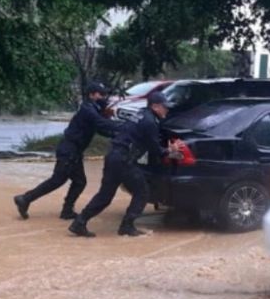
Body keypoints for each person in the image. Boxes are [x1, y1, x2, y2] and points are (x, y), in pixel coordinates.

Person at [69, 92, 184, 237]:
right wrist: (170, 150)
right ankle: (127, 226)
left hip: (113, 157)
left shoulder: (141, 114)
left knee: (105, 195)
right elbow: (155, 149)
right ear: (155, 106)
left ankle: (79, 222)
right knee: (142, 191)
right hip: (124, 160)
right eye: (164, 107)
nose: (167, 110)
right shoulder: (150, 122)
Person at [14, 82, 118, 220]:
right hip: (69, 150)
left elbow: (101, 129)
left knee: (79, 182)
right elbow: (101, 123)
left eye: (104, 94)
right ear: (91, 95)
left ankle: (67, 211)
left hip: (74, 151)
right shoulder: (88, 110)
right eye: (100, 94)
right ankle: (25, 199)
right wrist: (125, 126)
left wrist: (117, 135)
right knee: (57, 180)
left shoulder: (93, 109)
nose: (103, 97)